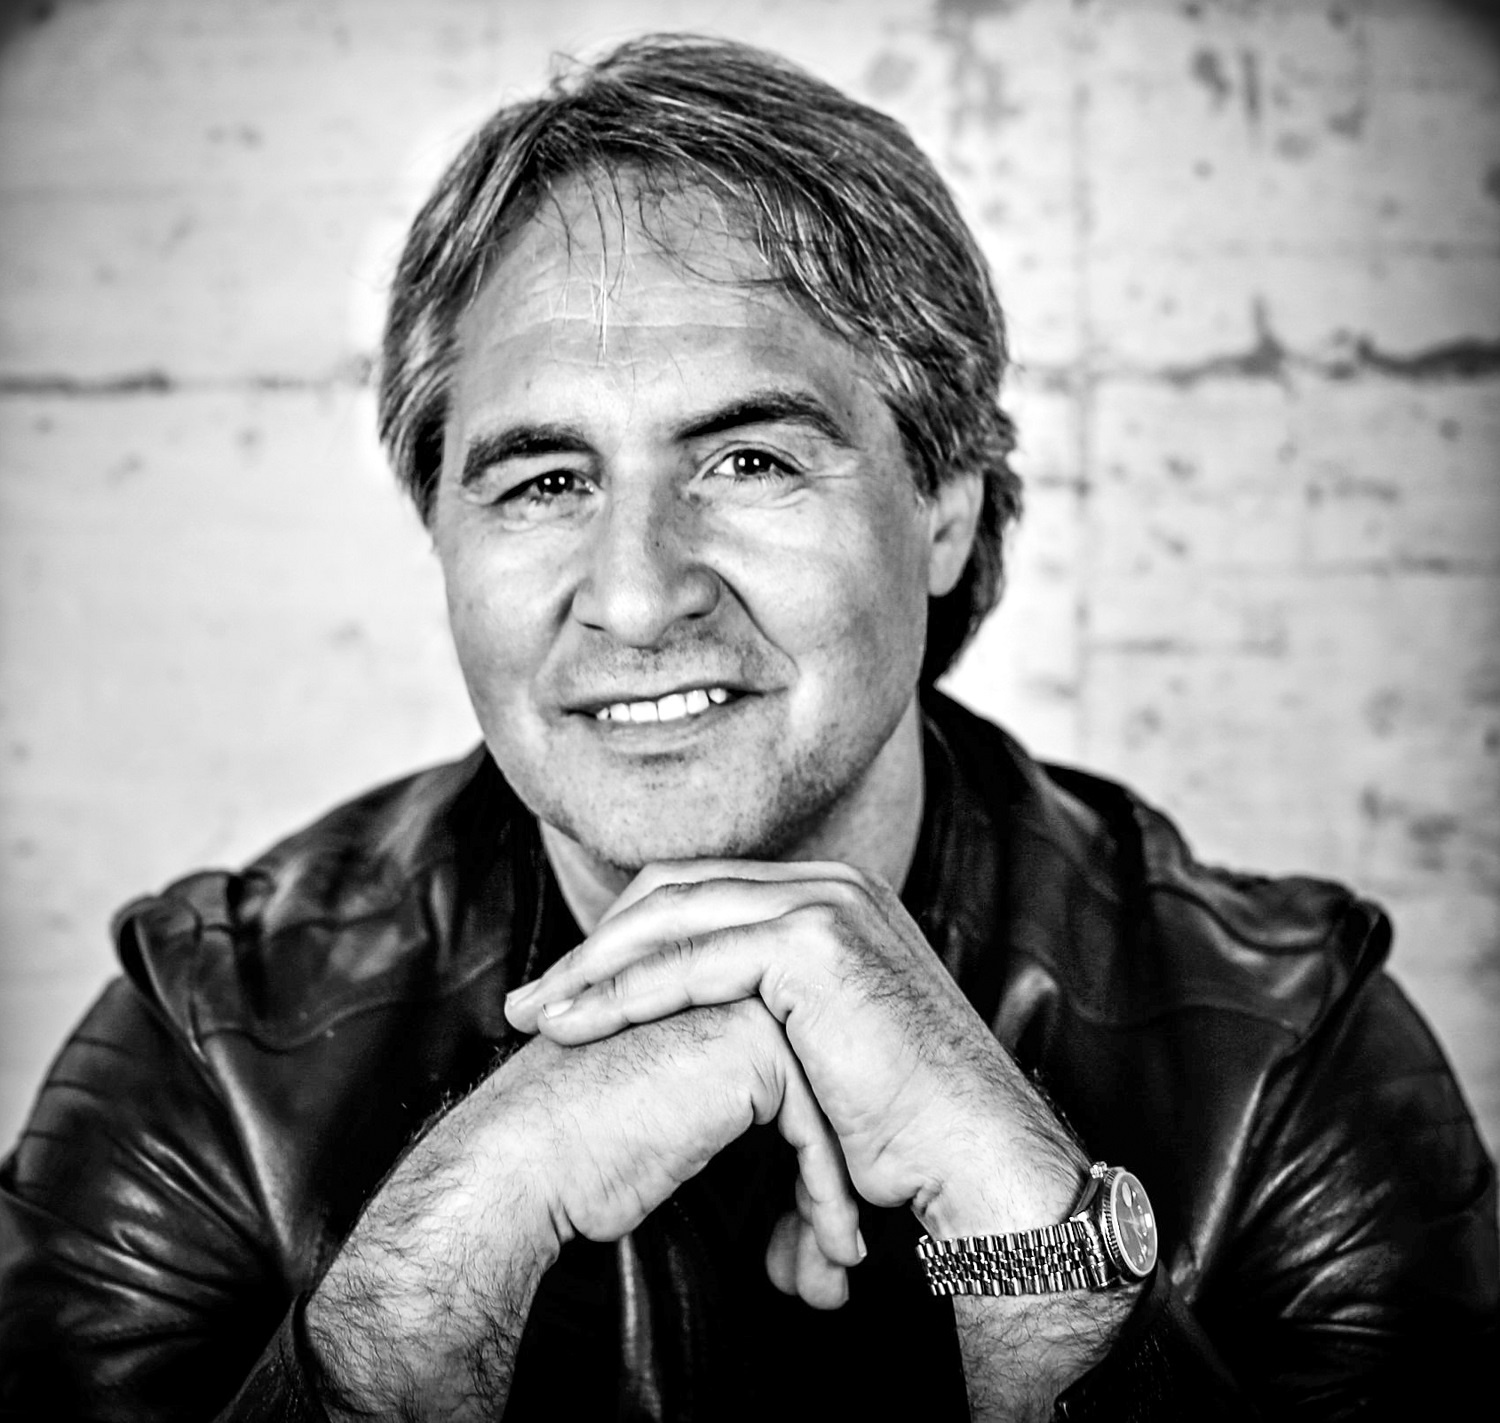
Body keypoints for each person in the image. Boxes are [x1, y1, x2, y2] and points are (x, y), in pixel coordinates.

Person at [0, 33, 1494, 1423]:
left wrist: (1037, 1264)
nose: (637, 595)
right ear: (441, 539)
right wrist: (424, 1290)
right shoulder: (215, 1037)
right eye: (544, 483)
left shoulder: (1284, 1047)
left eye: (750, 461)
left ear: (945, 508)